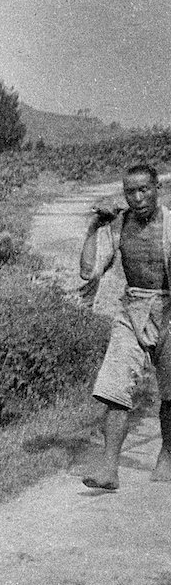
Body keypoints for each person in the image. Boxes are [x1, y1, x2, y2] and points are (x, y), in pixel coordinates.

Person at [80, 163, 171, 490]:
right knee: (115, 389)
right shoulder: (119, 226)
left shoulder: (170, 225)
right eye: (130, 192)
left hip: (169, 309)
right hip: (131, 307)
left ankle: (168, 453)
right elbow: (88, 271)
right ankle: (109, 470)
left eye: (143, 189)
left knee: (170, 392)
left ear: (156, 189)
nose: (137, 197)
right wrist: (93, 229)